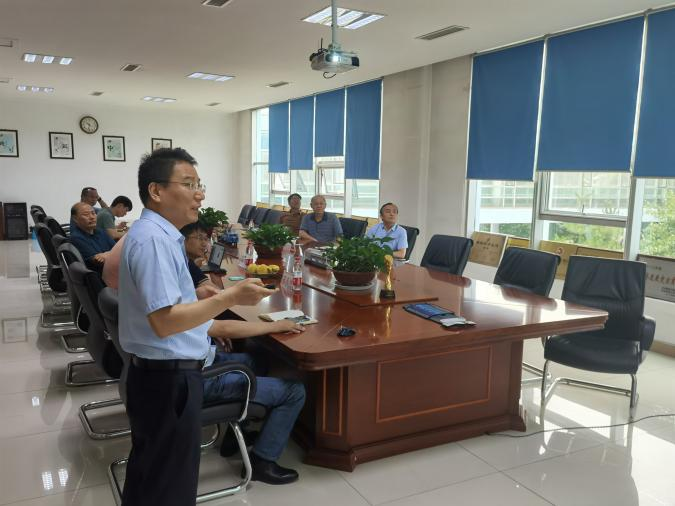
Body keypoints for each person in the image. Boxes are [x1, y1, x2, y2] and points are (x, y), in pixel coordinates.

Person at [118, 148, 301, 506]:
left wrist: (210, 299)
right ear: (156, 191)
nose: (199, 194)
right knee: (169, 488)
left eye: (199, 184)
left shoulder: (158, 235)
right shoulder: (154, 240)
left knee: (153, 479)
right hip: (169, 381)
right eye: (188, 184)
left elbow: (179, 316)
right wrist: (230, 296)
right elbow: (165, 322)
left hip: (160, 376)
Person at [69, 202, 115, 273]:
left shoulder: (101, 232)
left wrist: (107, 254)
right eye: (86, 214)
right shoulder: (76, 238)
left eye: (93, 213)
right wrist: (112, 253)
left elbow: (117, 249)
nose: (92, 217)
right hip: (103, 275)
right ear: (75, 219)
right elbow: (99, 262)